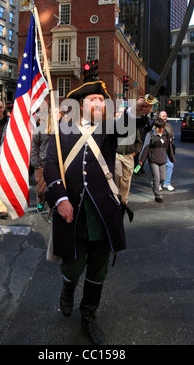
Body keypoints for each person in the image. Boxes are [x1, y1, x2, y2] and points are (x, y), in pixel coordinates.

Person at [43, 79, 153, 345]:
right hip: (74, 211)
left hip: (104, 212)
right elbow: (51, 168)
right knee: (73, 265)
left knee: (98, 271)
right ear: (81, 105)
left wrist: (137, 110)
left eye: (102, 101)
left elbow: (128, 122)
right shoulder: (62, 131)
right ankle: (68, 290)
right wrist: (60, 200)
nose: (100, 104)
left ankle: (89, 318)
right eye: (94, 100)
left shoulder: (108, 129)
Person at [31, 107, 61, 219]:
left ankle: (51, 213)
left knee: (53, 190)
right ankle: (41, 199)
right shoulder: (40, 129)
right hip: (42, 164)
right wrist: (36, 164)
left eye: (59, 112)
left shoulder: (64, 128)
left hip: (57, 165)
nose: (58, 114)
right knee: (41, 190)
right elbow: (34, 148)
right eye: (56, 112)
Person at [139, 117, 175, 203]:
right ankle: (157, 195)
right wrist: (142, 159)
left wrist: (171, 158)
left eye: (162, 127)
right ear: (155, 127)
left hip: (162, 159)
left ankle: (154, 184)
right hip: (153, 159)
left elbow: (169, 147)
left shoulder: (165, 133)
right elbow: (146, 147)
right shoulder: (150, 134)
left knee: (163, 178)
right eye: (159, 127)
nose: (161, 129)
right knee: (157, 177)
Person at [115, 105, 143, 206]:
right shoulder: (114, 125)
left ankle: (123, 201)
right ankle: (114, 197)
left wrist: (135, 152)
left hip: (128, 156)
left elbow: (139, 141)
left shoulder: (133, 126)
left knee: (126, 179)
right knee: (116, 176)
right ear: (117, 114)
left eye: (124, 112)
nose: (122, 114)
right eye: (120, 112)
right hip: (117, 155)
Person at [159, 110, 175, 191]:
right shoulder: (156, 126)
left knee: (170, 165)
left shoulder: (169, 126)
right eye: (163, 116)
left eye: (165, 116)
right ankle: (158, 184)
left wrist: (172, 139)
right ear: (159, 117)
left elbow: (173, 136)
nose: (165, 118)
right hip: (158, 150)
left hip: (168, 149)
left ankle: (167, 183)